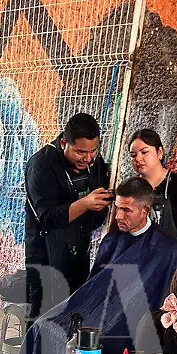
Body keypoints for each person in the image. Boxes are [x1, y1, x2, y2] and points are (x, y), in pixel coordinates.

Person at [18, 177, 177, 354]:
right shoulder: (112, 240)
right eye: (117, 208)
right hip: (100, 309)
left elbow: (167, 298)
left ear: (145, 210)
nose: (119, 216)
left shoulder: (169, 250)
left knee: (104, 341)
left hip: (138, 319)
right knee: (43, 326)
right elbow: (94, 286)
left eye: (126, 210)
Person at [24, 113, 112, 318]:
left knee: (73, 314)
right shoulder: (42, 164)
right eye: (80, 152)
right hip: (46, 255)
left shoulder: (94, 163)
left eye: (93, 151)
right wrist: (84, 204)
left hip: (77, 252)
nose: (87, 158)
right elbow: (46, 218)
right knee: (43, 318)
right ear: (64, 143)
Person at [128, 129, 177, 252]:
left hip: (168, 256)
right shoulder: (130, 187)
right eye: (133, 155)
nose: (138, 159)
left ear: (160, 152)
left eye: (144, 152)